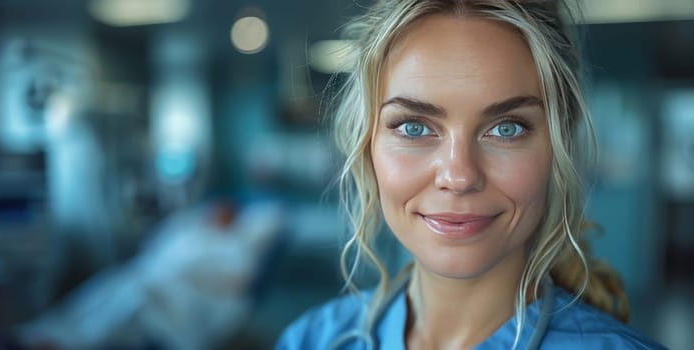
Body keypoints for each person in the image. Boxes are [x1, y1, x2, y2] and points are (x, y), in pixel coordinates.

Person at [277, 0, 666, 349]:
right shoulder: (313, 339)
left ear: (558, 146)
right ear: (366, 146)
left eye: (506, 128)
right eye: (414, 127)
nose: (459, 176)